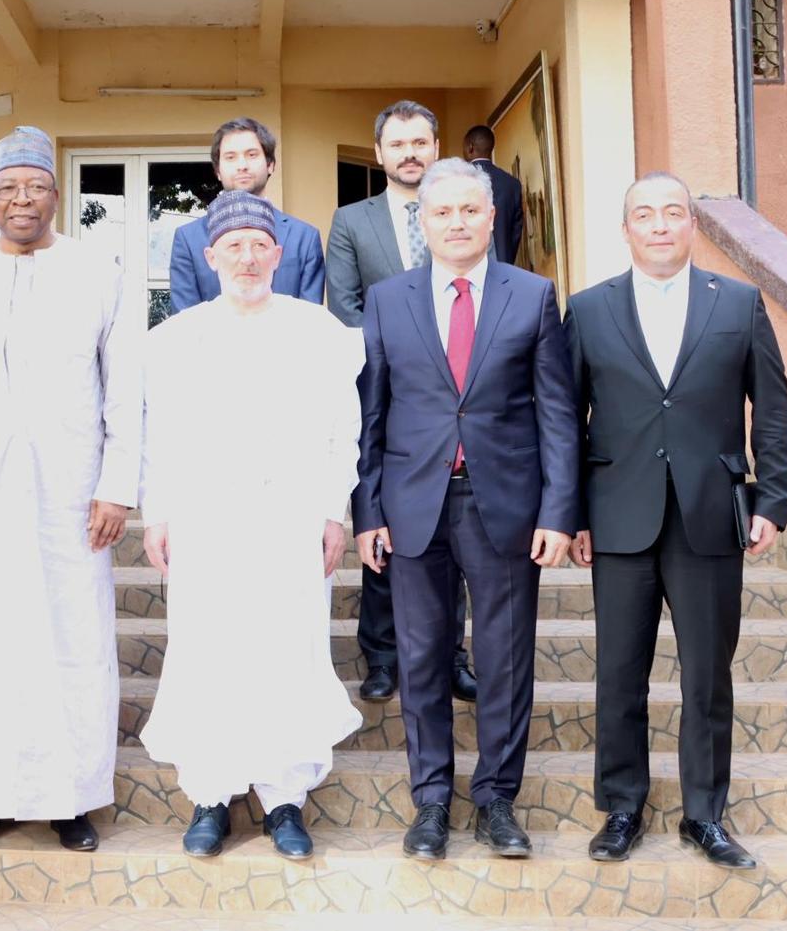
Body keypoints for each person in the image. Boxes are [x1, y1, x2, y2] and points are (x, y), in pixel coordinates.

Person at [0, 126, 141, 854]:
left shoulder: (96, 268)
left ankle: (72, 796)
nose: (21, 199)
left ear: (54, 193)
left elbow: (125, 388)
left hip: (74, 495)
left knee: (74, 639)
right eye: (8, 186)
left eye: (35, 186)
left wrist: (116, 485)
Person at [565, 173, 787, 870]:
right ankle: (623, 806)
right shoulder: (589, 308)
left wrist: (773, 500)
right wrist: (571, 513)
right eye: (645, 214)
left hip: (710, 515)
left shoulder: (741, 304)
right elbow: (565, 419)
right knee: (619, 670)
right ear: (626, 228)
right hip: (619, 516)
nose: (659, 225)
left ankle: (704, 813)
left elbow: (773, 410)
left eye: (672, 213)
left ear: (692, 225)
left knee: (707, 674)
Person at [353, 157, 577, 862]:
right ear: (423, 223)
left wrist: (559, 512)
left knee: (505, 658)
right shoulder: (388, 299)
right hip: (412, 501)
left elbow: (559, 415)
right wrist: (366, 511)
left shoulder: (533, 294)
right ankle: (429, 803)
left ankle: (497, 800)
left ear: (491, 218)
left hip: (504, 502)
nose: (455, 222)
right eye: (441, 212)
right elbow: (372, 413)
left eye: (468, 211)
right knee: (421, 656)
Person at [141, 190, 365, 862]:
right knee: (208, 648)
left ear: (279, 253)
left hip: (289, 519)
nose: (246, 257)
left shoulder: (317, 330)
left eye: (258, 246)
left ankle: (284, 797)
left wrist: (335, 510)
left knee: (286, 648)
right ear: (210, 256)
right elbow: (161, 436)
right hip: (206, 519)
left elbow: (342, 428)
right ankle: (211, 794)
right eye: (232, 246)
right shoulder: (175, 338)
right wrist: (158, 514)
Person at [324, 100, 474, 707]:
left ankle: (453, 656)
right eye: (398, 143)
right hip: (382, 395)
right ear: (379, 151)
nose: (410, 153)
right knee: (385, 528)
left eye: (420, 142)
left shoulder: (465, 213)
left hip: (459, 402)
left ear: (435, 147)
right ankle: (382, 656)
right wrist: (405, 358)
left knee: (460, 534)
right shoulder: (351, 221)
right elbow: (346, 306)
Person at [167, 118, 324, 313]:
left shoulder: (305, 238)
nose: (242, 165)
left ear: (270, 165)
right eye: (231, 157)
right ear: (217, 170)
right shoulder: (188, 238)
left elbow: (309, 321)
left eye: (251, 155)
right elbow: (185, 323)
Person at [462, 125, 526, 267]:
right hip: (503, 268)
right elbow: (516, 232)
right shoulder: (512, 184)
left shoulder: (456, 182)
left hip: (465, 270)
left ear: (470, 147)